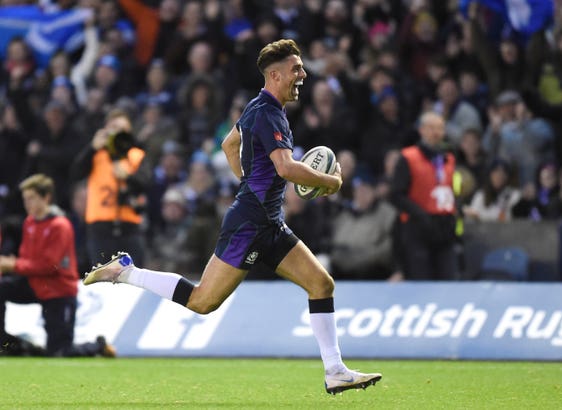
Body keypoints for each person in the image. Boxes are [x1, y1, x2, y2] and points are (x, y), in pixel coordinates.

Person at [83, 39, 381, 394]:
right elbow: (285, 167)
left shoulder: (259, 108)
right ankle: (126, 272)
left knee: (321, 284)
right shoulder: (268, 112)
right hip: (249, 224)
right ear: (275, 74)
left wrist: (249, 182)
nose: (302, 75)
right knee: (202, 302)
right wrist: (329, 182)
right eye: (295, 69)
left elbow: (229, 145)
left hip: (267, 220)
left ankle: (335, 371)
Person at [0, 174, 115, 357]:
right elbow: (28, 258)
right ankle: (5, 343)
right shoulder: (29, 223)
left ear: (46, 198)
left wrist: (13, 265)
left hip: (58, 290)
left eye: (31, 198)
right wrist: (15, 265)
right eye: (25, 199)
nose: (27, 204)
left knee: (60, 351)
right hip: (36, 285)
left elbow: (49, 265)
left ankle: (97, 347)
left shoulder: (60, 225)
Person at [70, 108, 150, 266]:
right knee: (103, 282)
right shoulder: (96, 154)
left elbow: (147, 182)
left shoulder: (136, 154)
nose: (118, 133)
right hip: (100, 228)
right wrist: (92, 148)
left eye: (123, 130)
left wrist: (128, 177)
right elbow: (75, 173)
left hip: (130, 226)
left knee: (134, 280)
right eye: (114, 128)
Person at [389, 112, 459, 280]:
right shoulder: (408, 157)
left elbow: (451, 190)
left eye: (440, 128)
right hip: (417, 228)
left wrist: (457, 210)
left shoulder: (448, 159)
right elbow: (396, 194)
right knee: (421, 281)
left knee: (449, 280)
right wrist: (421, 214)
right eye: (431, 128)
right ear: (421, 130)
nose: (436, 133)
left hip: (445, 227)